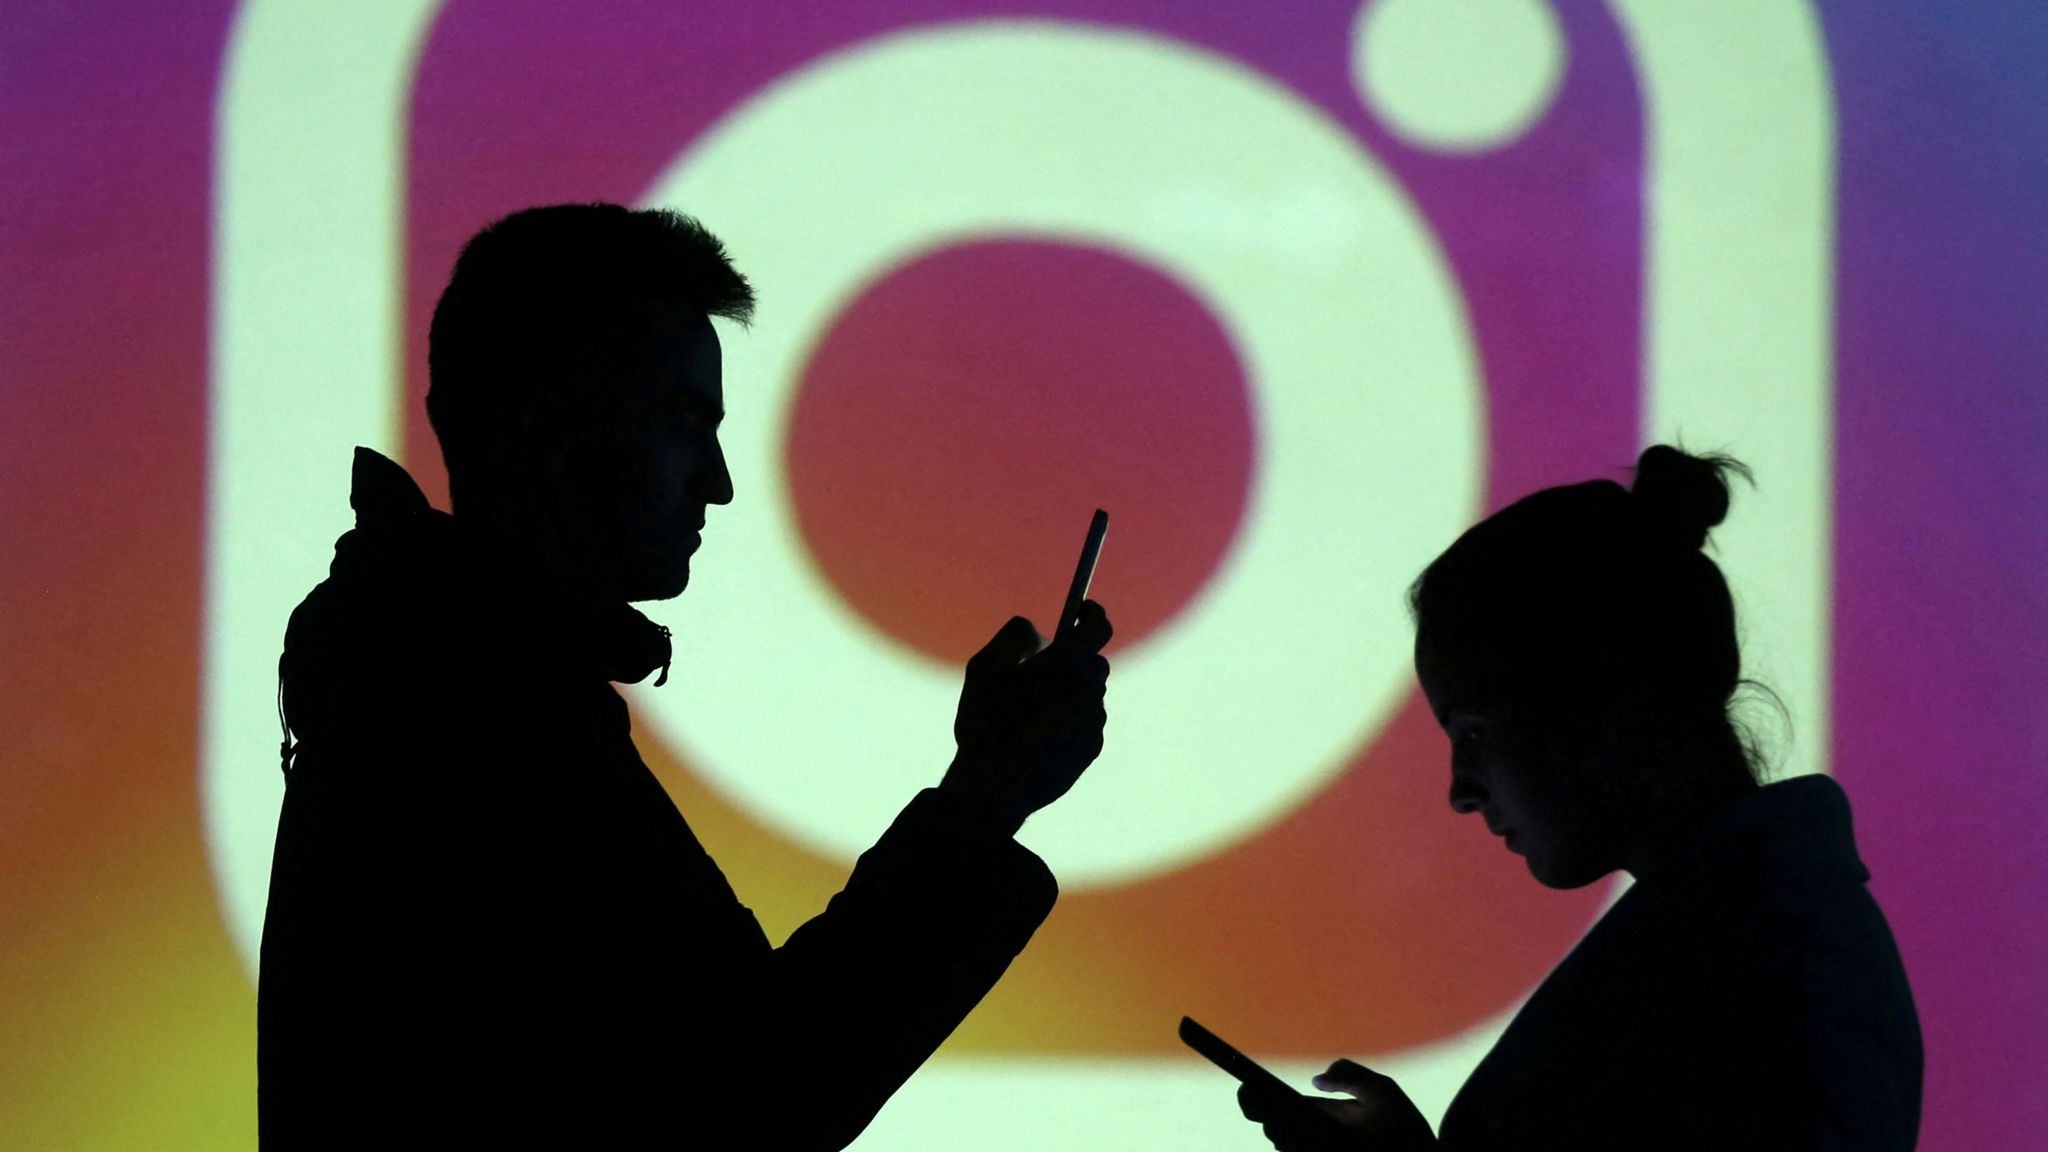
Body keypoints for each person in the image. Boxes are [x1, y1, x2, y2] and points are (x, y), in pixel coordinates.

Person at [258, 203, 1113, 1149]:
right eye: (680, 422)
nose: (718, 481)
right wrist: (987, 798)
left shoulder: (425, 679)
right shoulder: (480, 725)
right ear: (544, 423)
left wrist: (983, 800)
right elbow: (754, 1093)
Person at [1236, 446, 1922, 1151]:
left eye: (1474, 733)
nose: (1460, 791)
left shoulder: (1773, 967)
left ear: (1607, 699)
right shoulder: (1744, 934)